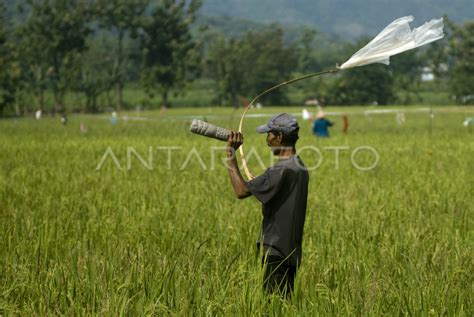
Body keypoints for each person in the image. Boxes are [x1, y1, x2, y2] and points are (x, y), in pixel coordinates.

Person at [226, 113, 309, 297]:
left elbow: (240, 192)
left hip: (276, 252)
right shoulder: (299, 166)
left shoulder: (280, 170)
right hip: (291, 250)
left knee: (273, 305)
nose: (267, 140)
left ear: (279, 136)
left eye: (269, 134)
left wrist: (231, 155)